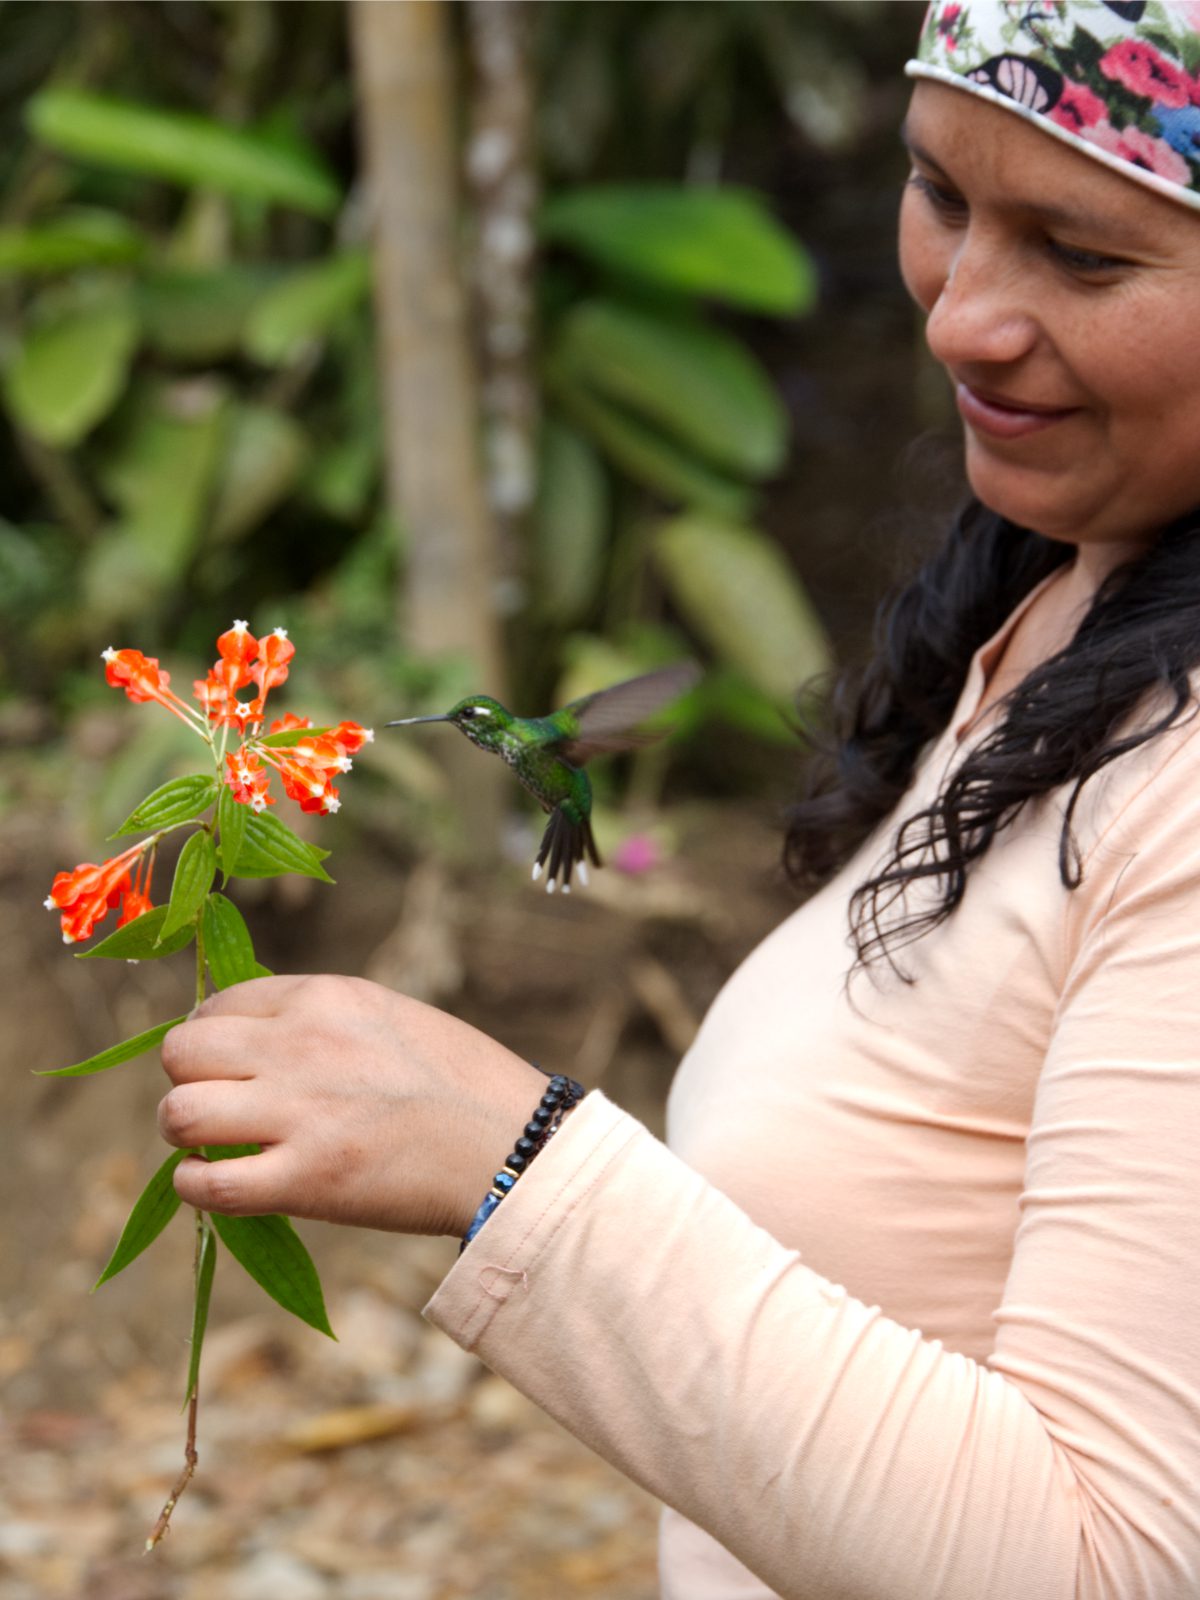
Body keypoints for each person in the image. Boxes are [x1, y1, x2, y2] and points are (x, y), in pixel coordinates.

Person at [156, 3, 1200, 1595]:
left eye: (1083, 251)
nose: (961, 317)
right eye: (941, 197)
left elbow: (1110, 1564)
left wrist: (514, 1166)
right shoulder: (1072, 591)